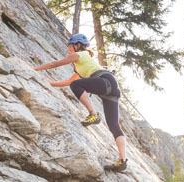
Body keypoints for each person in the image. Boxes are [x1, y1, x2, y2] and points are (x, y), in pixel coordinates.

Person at [33, 33, 127, 171]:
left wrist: (35, 69)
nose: (68, 49)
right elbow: (70, 81)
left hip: (106, 81)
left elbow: (55, 64)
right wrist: (52, 84)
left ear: (77, 45)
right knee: (113, 125)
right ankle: (123, 161)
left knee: (77, 85)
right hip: (111, 88)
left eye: (70, 46)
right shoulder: (81, 64)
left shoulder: (80, 55)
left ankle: (93, 114)